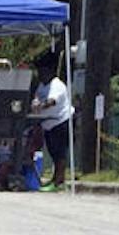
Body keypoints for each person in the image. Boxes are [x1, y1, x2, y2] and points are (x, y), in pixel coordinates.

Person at [30, 48, 75, 190]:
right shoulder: (42, 85)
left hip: (61, 121)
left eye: (42, 71)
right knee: (52, 151)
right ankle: (54, 179)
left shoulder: (57, 85)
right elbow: (37, 96)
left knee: (60, 152)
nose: (40, 74)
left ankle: (59, 181)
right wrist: (35, 101)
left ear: (49, 71)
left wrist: (40, 107)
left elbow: (52, 101)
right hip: (48, 124)